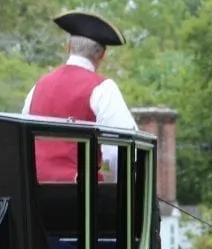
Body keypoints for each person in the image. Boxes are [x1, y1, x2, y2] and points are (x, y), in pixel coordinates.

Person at [21, 9, 138, 183]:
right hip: (82, 198)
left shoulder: (38, 87)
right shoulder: (104, 88)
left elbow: (22, 140)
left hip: (34, 193)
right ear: (101, 54)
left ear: (68, 47)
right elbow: (120, 151)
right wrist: (112, 189)